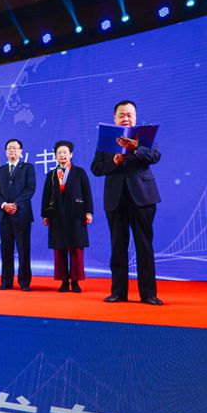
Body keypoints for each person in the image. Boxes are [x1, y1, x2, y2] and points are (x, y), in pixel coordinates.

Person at [90, 100, 163, 305]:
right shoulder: (106, 139)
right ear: (115, 118)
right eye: (121, 115)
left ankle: (148, 294)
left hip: (143, 198)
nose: (126, 118)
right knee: (118, 246)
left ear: (135, 117)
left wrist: (136, 147)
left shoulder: (145, 136)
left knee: (144, 247)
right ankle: (118, 292)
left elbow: (155, 156)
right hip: (115, 199)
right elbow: (96, 168)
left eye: (129, 114)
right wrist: (113, 162)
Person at [41, 140, 94, 293]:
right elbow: (46, 196)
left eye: (65, 152)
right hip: (57, 216)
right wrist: (45, 214)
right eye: (59, 153)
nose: (62, 155)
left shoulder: (79, 172)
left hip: (76, 215)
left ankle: (75, 282)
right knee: (60, 249)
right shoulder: (51, 175)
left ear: (71, 154)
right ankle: (64, 281)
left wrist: (88, 212)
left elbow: (87, 193)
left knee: (76, 248)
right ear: (55, 156)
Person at [0, 138, 36, 291]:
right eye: (9, 148)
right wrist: (4, 205)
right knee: (6, 250)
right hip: (4, 215)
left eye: (15, 148)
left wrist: (15, 204)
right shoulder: (0, 170)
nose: (12, 151)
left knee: (23, 249)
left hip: (22, 214)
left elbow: (30, 189)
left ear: (21, 151)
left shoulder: (28, 168)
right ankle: (6, 281)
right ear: (5, 152)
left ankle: (24, 281)